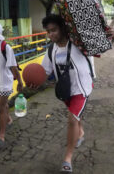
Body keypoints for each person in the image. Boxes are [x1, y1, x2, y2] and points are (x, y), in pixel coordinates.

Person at [39, 14, 93, 173]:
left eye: (54, 30)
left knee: (72, 119)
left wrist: (109, 33)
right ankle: (80, 133)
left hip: (81, 89)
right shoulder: (51, 49)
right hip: (65, 90)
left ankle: (67, 158)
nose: (51, 34)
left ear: (63, 28)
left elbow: (95, 45)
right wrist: (32, 82)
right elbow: (45, 71)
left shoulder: (78, 43)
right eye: (48, 32)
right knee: (75, 117)